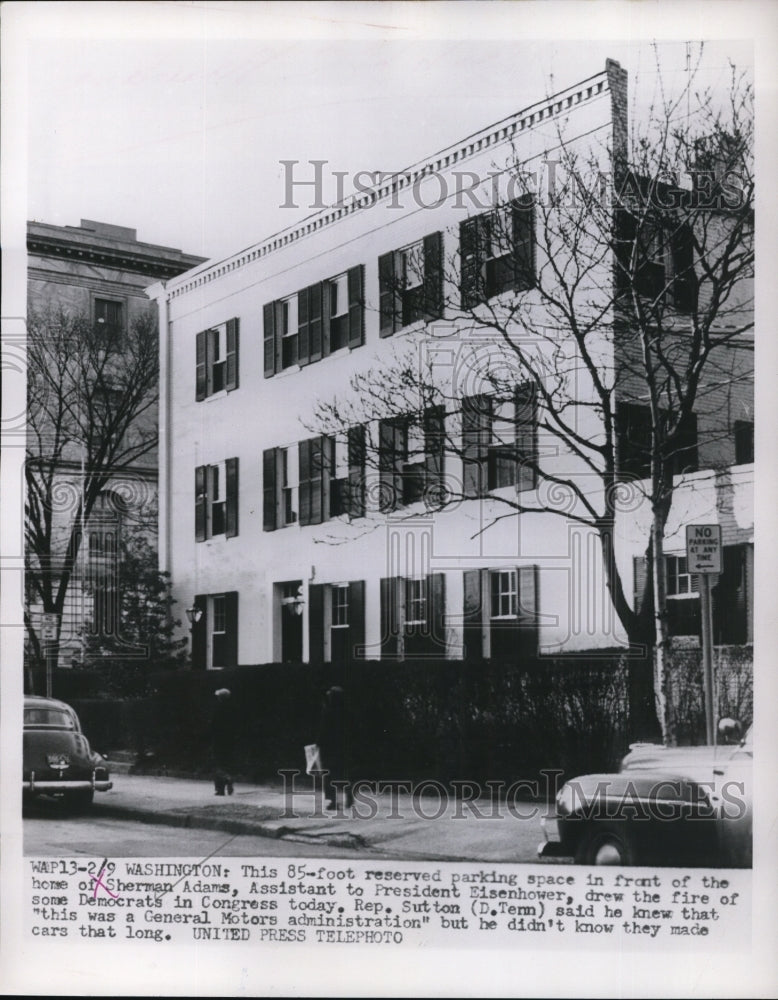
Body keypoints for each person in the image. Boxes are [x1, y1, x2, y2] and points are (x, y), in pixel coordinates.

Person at [317, 685, 353, 810]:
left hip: (328, 748)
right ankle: (349, 796)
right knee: (342, 773)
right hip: (342, 747)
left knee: (329, 774)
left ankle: (333, 801)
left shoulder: (328, 711)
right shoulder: (346, 712)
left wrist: (319, 743)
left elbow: (323, 730)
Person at [211, 688, 235, 796]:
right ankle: (227, 778)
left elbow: (213, 725)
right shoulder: (232, 709)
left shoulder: (217, 708)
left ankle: (220, 788)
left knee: (217, 764)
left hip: (218, 739)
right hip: (229, 740)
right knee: (226, 762)